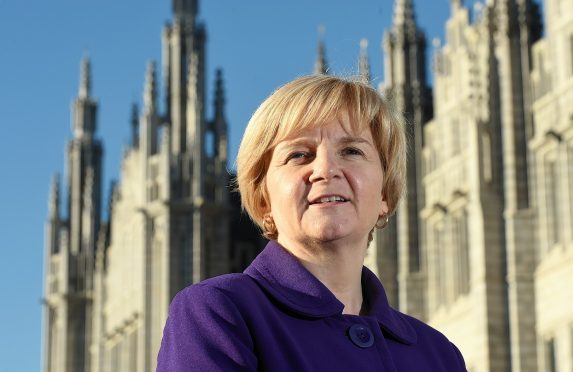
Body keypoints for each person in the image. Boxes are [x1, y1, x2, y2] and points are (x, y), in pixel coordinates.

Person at [157, 75, 466, 371]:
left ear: (385, 192)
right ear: (263, 199)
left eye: (351, 151)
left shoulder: (439, 355)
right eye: (300, 155)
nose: (326, 169)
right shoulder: (221, 313)